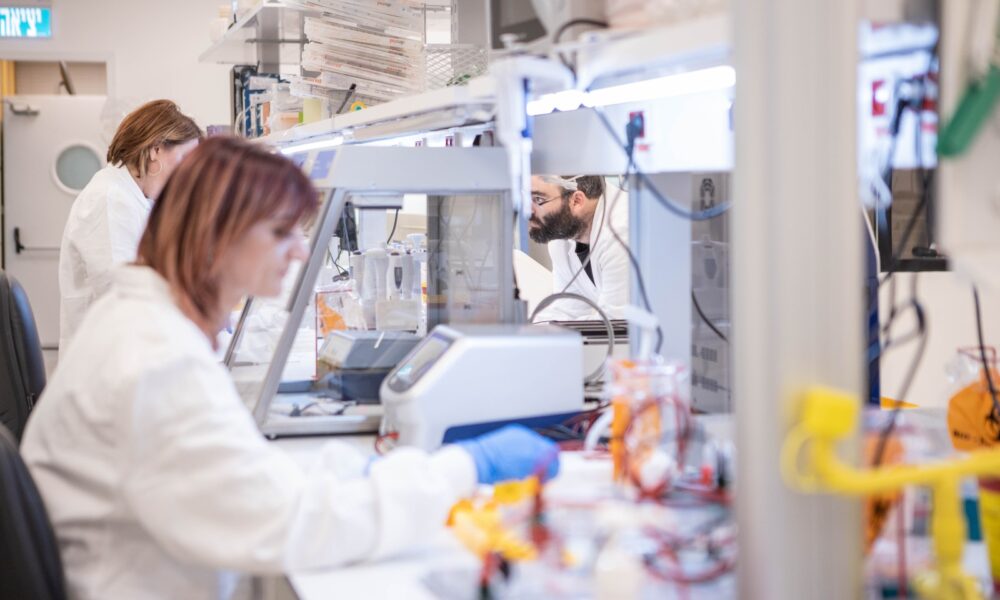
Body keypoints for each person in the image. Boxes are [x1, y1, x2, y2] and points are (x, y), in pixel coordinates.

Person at [22, 136, 559, 600]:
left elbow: (241, 476)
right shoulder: (155, 360)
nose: (301, 250)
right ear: (217, 236)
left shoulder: (140, 321)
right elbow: (295, 524)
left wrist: (359, 472)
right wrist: (463, 468)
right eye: (281, 232)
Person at [58, 99, 201, 352]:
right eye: (184, 160)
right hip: (108, 357)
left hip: (126, 346)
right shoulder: (110, 198)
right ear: (156, 150)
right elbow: (122, 295)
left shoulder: (131, 196)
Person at [529, 174, 630, 321]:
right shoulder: (561, 240)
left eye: (538, 200)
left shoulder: (620, 232)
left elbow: (617, 322)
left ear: (577, 200)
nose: (528, 211)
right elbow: (566, 312)